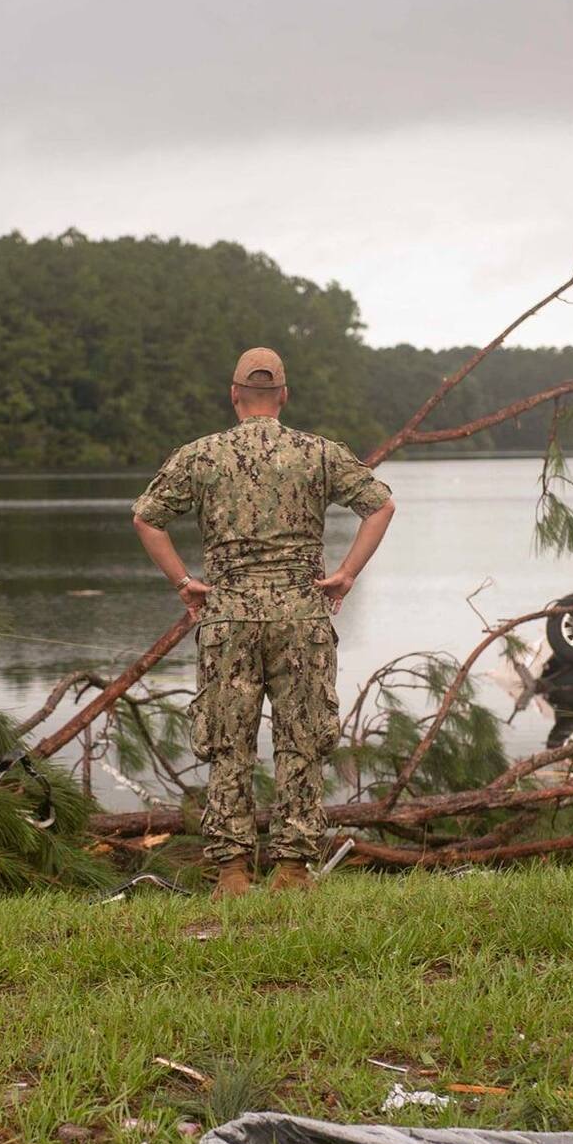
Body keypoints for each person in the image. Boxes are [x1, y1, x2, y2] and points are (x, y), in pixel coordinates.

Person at [131, 347, 396, 896]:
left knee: (230, 743)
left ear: (234, 395)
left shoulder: (201, 456)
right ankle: (293, 871)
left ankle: (231, 872)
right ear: (284, 396)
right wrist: (346, 574)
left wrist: (185, 583)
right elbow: (381, 506)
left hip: (228, 617)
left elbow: (146, 518)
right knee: (301, 741)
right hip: (301, 616)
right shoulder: (317, 453)